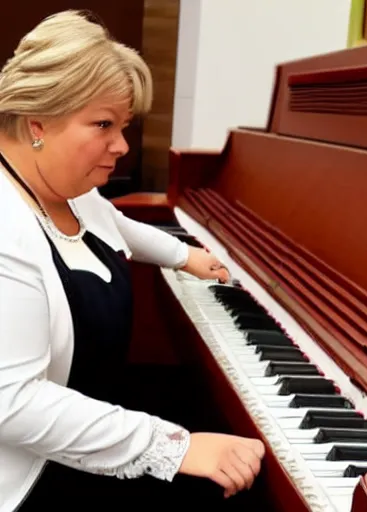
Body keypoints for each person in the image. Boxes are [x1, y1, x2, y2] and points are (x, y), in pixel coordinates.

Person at [0, 10, 265, 511]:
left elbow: (113, 224)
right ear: (38, 122)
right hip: (31, 472)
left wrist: (185, 255)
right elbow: (11, 404)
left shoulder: (66, 184)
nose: (121, 146)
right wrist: (177, 446)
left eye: (123, 126)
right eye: (103, 125)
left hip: (94, 398)